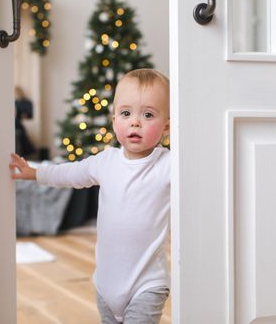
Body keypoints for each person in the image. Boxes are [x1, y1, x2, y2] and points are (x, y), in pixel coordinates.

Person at [10, 69, 171, 324]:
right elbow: (70, 173)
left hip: (147, 284)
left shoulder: (168, 165)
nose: (135, 122)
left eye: (148, 115)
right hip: (105, 285)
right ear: (114, 118)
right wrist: (35, 173)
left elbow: (199, 180)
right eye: (126, 113)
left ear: (167, 126)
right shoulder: (106, 161)